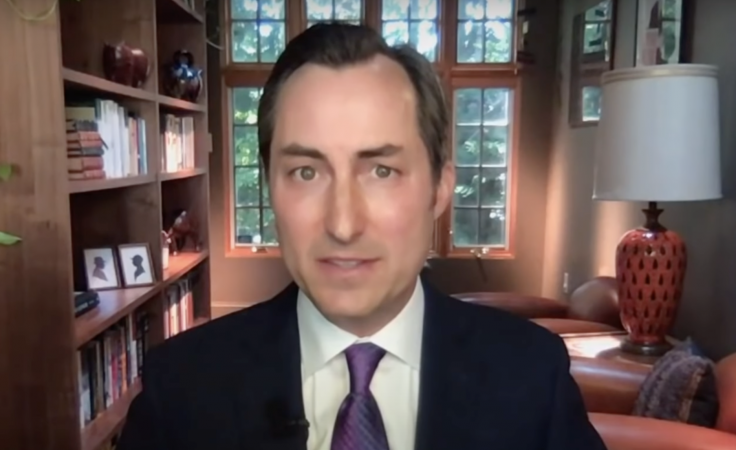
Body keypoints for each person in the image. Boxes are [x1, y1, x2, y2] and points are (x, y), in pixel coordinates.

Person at [116, 23, 607, 450]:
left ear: (439, 188)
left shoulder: (532, 377)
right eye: (306, 172)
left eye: (382, 171)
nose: (343, 225)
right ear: (269, 188)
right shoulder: (179, 391)